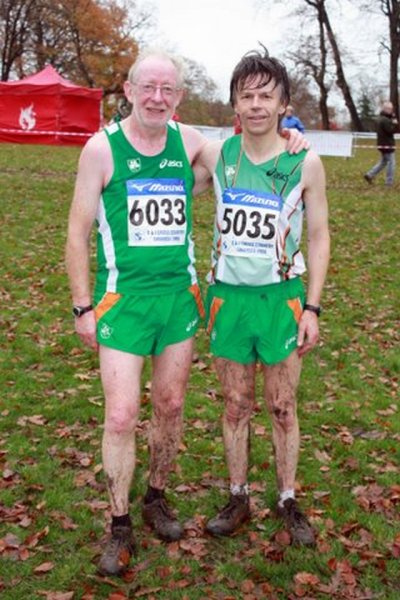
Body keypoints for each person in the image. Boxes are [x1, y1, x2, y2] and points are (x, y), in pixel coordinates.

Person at [65, 47, 307, 577]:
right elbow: (77, 232)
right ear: (128, 91)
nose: (157, 97)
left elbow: (253, 146)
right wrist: (82, 305)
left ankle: (155, 494)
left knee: (171, 406)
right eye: (147, 87)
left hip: (180, 298)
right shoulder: (99, 150)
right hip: (122, 302)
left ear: (177, 98)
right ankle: (119, 523)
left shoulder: (192, 142)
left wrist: (290, 135)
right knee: (123, 414)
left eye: (167, 90)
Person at [194, 46, 330, 546]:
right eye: (246, 96)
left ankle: (288, 498)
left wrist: (312, 306)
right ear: (234, 104)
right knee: (234, 404)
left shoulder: (304, 161)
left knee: (281, 405)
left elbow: (319, 237)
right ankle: (237, 496)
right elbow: (165, 145)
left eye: (265, 96)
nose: (255, 105)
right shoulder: (216, 153)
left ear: (282, 104)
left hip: (282, 299)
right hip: (229, 299)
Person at [364, 100, 398, 186]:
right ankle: (389, 182)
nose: (391, 110)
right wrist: (395, 124)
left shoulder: (380, 119)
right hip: (388, 144)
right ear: (386, 109)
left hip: (382, 144)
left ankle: (369, 174)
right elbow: (391, 131)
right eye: (390, 109)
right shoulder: (385, 120)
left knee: (383, 162)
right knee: (392, 163)